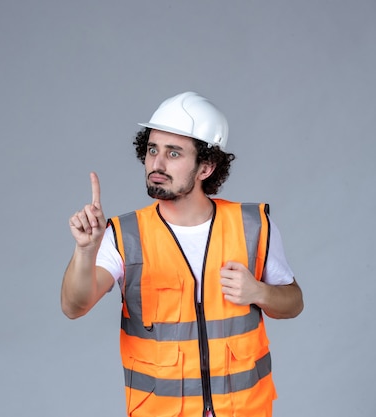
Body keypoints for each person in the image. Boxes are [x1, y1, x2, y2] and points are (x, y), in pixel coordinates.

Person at [60, 91, 303, 417]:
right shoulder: (124, 235)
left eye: (173, 153)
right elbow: (74, 306)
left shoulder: (252, 225)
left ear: (206, 167)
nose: (156, 164)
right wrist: (85, 251)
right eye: (152, 150)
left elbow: (293, 302)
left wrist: (258, 291)